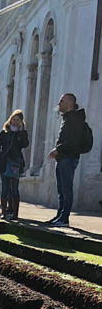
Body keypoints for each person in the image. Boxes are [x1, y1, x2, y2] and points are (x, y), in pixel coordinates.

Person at [47, 93, 91, 227]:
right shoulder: (68, 118)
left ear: (70, 103)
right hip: (62, 158)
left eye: (62, 101)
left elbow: (73, 141)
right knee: (61, 190)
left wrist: (58, 149)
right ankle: (60, 216)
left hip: (68, 158)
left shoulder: (74, 119)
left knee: (66, 189)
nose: (59, 103)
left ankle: (64, 218)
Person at [0, 110, 29, 221]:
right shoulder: (4, 132)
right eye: (14, 119)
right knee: (5, 188)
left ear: (21, 122)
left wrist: (21, 133)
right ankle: (3, 212)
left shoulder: (21, 133)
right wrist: (1, 156)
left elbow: (25, 144)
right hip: (4, 163)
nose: (15, 121)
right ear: (10, 120)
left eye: (18, 120)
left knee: (14, 189)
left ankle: (15, 213)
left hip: (16, 163)